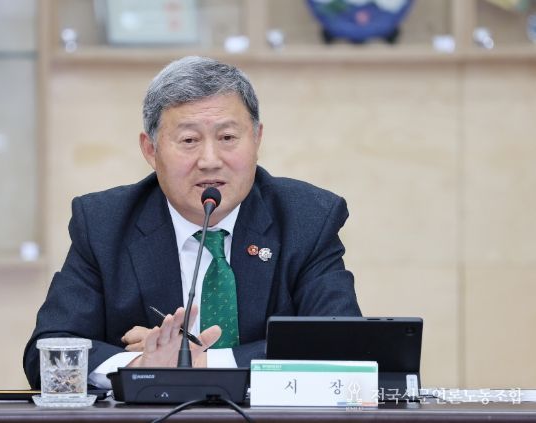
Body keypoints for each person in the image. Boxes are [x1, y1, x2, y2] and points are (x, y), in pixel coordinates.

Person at [23, 56, 361, 389]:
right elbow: (48, 353)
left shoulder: (307, 218)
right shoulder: (104, 224)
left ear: (257, 139)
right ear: (150, 150)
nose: (210, 160)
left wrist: (199, 364)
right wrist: (140, 366)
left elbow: (342, 345)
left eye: (227, 138)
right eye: (189, 140)